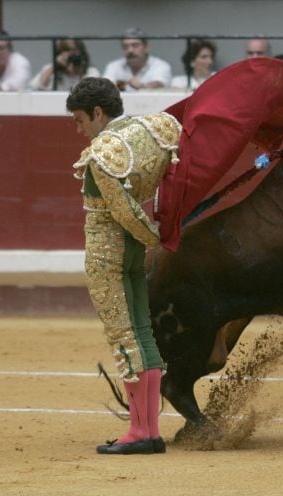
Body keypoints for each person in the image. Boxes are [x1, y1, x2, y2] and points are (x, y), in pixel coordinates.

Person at [67, 77, 180, 455]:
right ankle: (150, 430)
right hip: (132, 251)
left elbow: (123, 210)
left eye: (81, 120)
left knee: (124, 338)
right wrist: (155, 235)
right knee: (142, 330)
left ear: (98, 113)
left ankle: (139, 431)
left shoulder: (103, 153)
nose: (79, 128)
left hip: (107, 255)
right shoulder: (149, 130)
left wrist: (156, 238)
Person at [103, 28, 171, 90]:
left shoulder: (161, 65)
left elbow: (160, 84)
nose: (130, 50)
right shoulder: (113, 66)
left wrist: (142, 86)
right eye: (125, 46)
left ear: (146, 47)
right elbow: (105, 87)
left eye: (135, 45)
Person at [30, 38, 100, 91]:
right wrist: (55, 66)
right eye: (67, 52)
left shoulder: (91, 71)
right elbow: (36, 86)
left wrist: (79, 72)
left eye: (74, 53)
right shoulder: (51, 70)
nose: (71, 57)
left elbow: (94, 92)